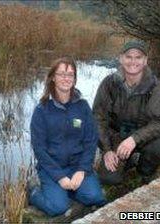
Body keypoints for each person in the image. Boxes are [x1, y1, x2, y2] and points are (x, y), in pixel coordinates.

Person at [29, 57, 107, 216]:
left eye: (70, 75)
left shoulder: (83, 106)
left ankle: (71, 189)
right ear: (53, 77)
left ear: (75, 79)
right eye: (62, 74)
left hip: (77, 166)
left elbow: (90, 141)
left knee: (96, 197)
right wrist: (60, 178)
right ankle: (33, 193)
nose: (66, 78)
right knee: (57, 208)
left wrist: (82, 170)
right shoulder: (41, 111)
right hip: (52, 169)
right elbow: (39, 149)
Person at [93, 40, 160, 185]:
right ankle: (127, 161)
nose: (133, 61)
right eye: (128, 56)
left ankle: (143, 172)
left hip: (144, 137)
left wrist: (134, 139)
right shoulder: (109, 83)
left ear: (145, 60)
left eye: (138, 57)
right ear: (121, 58)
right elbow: (98, 118)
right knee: (109, 178)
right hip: (117, 137)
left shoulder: (156, 87)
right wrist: (107, 149)